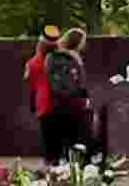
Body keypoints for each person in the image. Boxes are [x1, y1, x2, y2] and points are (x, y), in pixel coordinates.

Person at [44, 27, 92, 164]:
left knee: (61, 136)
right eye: (83, 41)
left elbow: (49, 79)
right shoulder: (74, 58)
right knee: (76, 138)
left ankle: (59, 166)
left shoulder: (51, 57)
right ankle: (74, 167)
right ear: (77, 42)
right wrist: (85, 98)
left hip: (57, 101)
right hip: (74, 102)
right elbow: (81, 83)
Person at [25, 28, 59, 157]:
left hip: (44, 104)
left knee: (48, 141)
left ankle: (52, 169)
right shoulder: (62, 59)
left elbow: (31, 84)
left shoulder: (32, 63)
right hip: (62, 103)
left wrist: (32, 104)